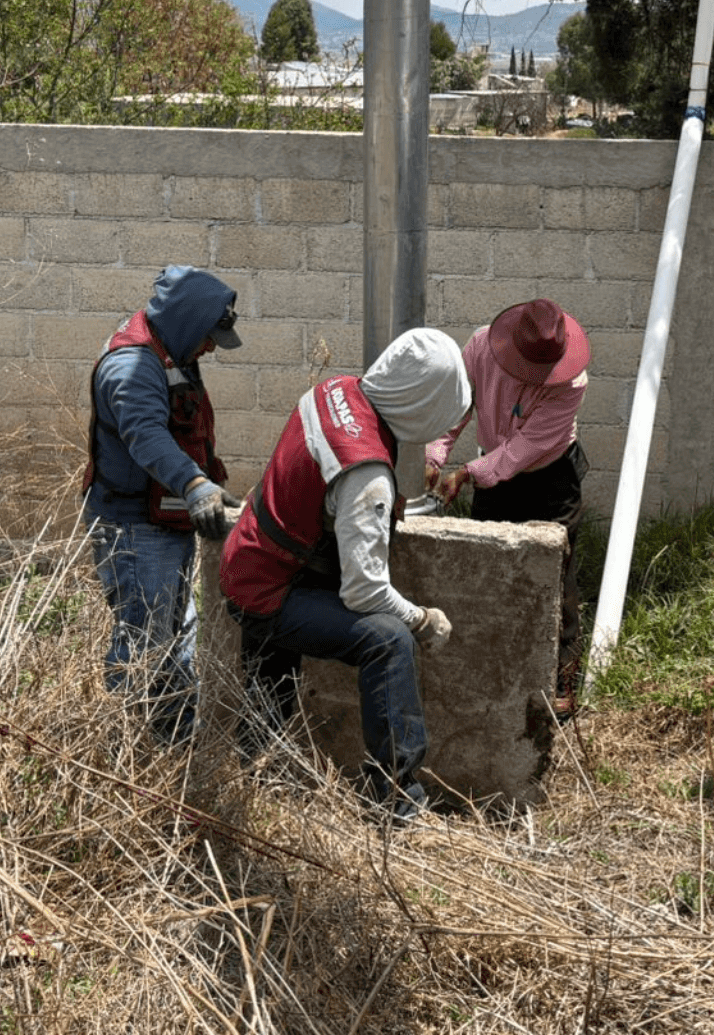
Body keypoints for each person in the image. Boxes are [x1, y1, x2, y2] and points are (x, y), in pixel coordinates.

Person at [219, 327, 470, 821]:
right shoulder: (367, 475)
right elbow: (365, 590)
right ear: (425, 406)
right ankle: (396, 802)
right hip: (271, 587)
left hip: (254, 558)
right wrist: (422, 620)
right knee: (389, 639)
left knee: (273, 668)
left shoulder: (335, 392)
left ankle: (252, 767)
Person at [82, 265, 242, 740]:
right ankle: (123, 749)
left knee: (176, 641)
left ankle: (171, 739)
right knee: (143, 643)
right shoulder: (131, 367)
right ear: (187, 324)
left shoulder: (170, 351)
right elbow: (147, 436)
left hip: (161, 527)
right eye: (208, 336)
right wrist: (195, 486)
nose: (211, 347)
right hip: (134, 530)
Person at [424, 299, 591, 701]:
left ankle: (561, 678)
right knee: (485, 567)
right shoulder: (481, 346)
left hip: (550, 478)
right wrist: (433, 454)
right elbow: (457, 405)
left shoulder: (572, 383)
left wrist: (466, 473)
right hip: (492, 475)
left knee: (555, 575)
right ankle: (487, 667)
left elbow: (525, 447)